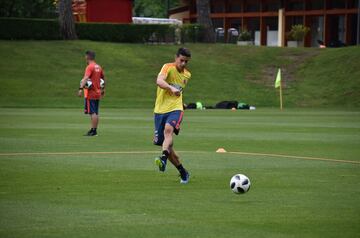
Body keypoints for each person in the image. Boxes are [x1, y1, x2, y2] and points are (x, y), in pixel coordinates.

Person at [153, 47, 191, 184]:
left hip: (176, 109)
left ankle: (162, 158)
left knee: (168, 130)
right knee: (168, 146)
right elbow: (159, 81)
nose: (183, 64)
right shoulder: (167, 67)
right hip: (159, 110)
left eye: (186, 62)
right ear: (176, 58)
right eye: (181, 60)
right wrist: (170, 88)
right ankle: (183, 171)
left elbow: (178, 93)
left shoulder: (187, 75)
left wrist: (182, 105)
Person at [78, 50, 105, 136]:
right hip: (97, 93)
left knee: (92, 112)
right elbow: (103, 79)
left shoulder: (90, 67)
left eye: (85, 56)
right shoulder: (99, 67)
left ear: (87, 57)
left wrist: (80, 88)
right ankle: (94, 130)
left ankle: (93, 131)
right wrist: (103, 89)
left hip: (91, 93)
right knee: (95, 112)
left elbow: (86, 78)